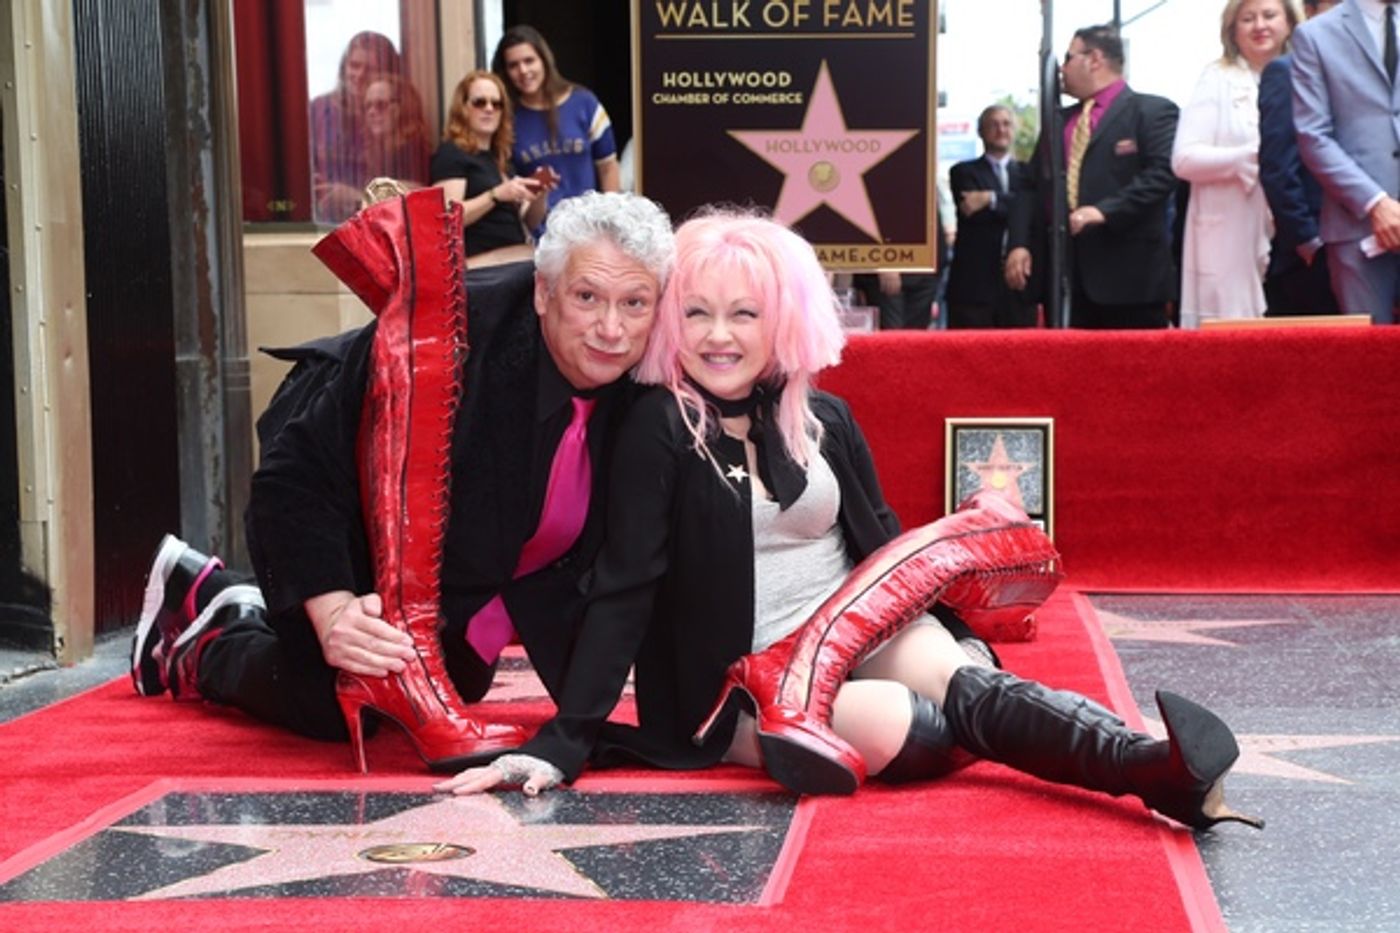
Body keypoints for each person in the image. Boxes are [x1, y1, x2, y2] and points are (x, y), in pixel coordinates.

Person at [438, 211, 1263, 836]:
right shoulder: (660, 426)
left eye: (744, 314)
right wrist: (565, 740)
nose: (719, 337)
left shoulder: (823, 416)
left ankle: (1153, 769)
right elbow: (625, 588)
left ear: (784, 320)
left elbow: (880, 546)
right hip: (737, 682)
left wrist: (949, 628)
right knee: (915, 723)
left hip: (848, 625)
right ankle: (1100, 758)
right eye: (695, 313)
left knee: (959, 676)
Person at [130, 190, 674, 775]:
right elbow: (295, 475)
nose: (611, 328)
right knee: (340, 702)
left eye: (634, 303)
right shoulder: (446, 336)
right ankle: (215, 629)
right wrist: (334, 611)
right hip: (342, 492)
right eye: (587, 297)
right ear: (544, 293)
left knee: (453, 685)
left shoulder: (657, 365)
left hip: (463, 547)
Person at [1006, 25, 1180, 329]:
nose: (1062, 69)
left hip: (1129, 280)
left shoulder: (1152, 111)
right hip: (1064, 278)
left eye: (1069, 58)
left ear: (1094, 59)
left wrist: (1105, 210)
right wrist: (1019, 244)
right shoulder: (1058, 121)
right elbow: (1030, 186)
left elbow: (1162, 175)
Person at [1172, 0, 1300, 328]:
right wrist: (1251, 157)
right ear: (1233, 30)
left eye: (1269, 15)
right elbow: (1184, 159)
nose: (1260, 25)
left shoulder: (1309, 73)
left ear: (1289, 22)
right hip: (1231, 233)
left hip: (1297, 232)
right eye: (1248, 18)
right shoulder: (1217, 77)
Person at [1292, 0, 1400, 322]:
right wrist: (1376, 203)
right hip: (1356, 224)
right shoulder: (1315, 35)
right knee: (1366, 361)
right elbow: (1313, 135)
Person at [1258, 0, 1342, 316]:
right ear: (1309, 13)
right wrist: (1306, 240)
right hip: (1313, 249)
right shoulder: (1286, 71)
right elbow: (1278, 166)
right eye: (1333, 6)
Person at [491, 24, 620, 218]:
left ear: (544, 60)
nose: (523, 70)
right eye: (513, 65)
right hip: (542, 235)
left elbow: (608, 167)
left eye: (529, 60)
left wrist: (611, 217)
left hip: (589, 227)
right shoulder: (506, 119)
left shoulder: (584, 103)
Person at [430, 71, 554, 257]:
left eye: (497, 104)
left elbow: (530, 222)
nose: (489, 109)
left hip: (512, 260)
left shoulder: (500, 158)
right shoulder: (452, 152)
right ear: (462, 108)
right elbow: (446, 219)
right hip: (481, 269)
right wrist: (495, 195)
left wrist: (540, 194)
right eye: (480, 102)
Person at [946, 105, 1038, 329]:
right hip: (974, 287)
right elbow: (972, 211)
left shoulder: (1030, 173)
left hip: (1019, 285)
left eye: (1006, 124)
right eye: (993, 124)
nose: (1001, 129)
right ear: (981, 131)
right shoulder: (963, 172)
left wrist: (990, 198)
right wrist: (1017, 202)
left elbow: (1034, 209)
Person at [311, 31, 404, 224]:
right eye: (354, 66)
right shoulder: (319, 110)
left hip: (376, 222)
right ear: (343, 66)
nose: (359, 75)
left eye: (370, 69)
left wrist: (355, 196)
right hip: (322, 221)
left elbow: (409, 189)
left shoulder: (393, 115)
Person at [361, 72, 432, 192]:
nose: (371, 112)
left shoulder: (412, 152)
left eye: (380, 105)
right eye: (367, 106)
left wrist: (353, 195)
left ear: (403, 108)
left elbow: (414, 196)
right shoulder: (376, 152)